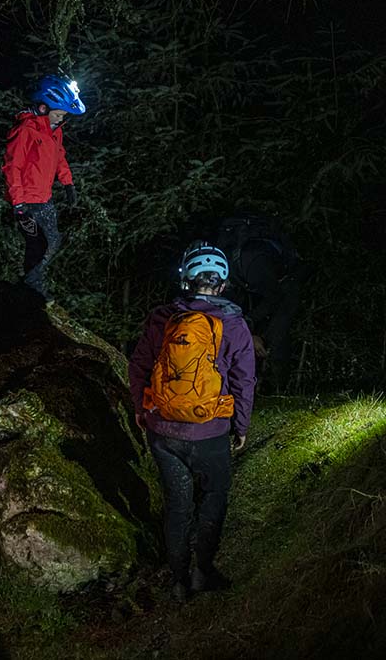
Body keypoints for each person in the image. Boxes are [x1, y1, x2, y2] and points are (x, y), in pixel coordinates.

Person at [128, 241, 256, 604]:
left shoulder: (160, 319)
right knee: (214, 495)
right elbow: (245, 379)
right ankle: (203, 572)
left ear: (186, 279)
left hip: (163, 430)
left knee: (178, 503)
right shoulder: (233, 324)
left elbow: (138, 366)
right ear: (222, 284)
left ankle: (178, 582)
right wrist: (241, 426)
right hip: (212, 430)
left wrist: (141, 408)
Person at [1, 74, 86, 301]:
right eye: (58, 115)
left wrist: (68, 183)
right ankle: (33, 291)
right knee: (37, 245)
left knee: (54, 241)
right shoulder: (26, 130)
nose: (61, 120)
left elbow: (59, 156)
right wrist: (18, 204)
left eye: (64, 116)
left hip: (44, 198)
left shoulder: (54, 131)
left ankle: (32, 283)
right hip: (26, 200)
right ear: (42, 107)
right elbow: (12, 167)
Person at [215, 213, 303, 392]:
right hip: (259, 288)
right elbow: (233, 310)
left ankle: (281, 390)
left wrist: (254, 333)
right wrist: (249, 332)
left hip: (286, 284)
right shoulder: (230, 270)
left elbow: (275, 298)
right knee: (246, 330)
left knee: (278, 332)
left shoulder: (254, 265)